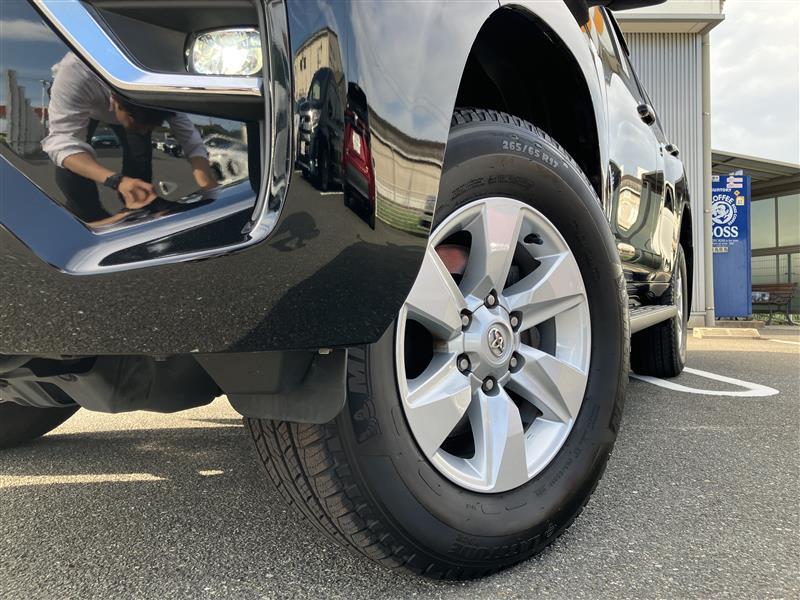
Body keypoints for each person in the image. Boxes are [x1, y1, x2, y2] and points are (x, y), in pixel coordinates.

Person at [42, 52, 217, 222]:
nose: (143, 130)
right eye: (140, 123)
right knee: (71, 165)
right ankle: (88, 214)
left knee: (140, 156)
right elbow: (62, 143)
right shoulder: (76, 72)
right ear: (115, 101)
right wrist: (116, 180)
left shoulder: (164, 84)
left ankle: (140, 203)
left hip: (128, 108)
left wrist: (207, 185)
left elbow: (190, 139)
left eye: (152, 125)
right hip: (85, 106)